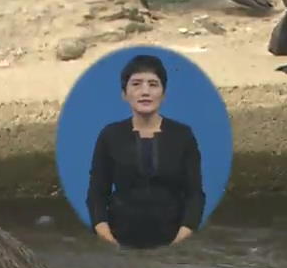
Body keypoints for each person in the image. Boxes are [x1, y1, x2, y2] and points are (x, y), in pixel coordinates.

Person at [86, 54, 205, 250]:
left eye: (153, 84)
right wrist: (109, 241)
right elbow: (97, 194)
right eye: (136, 84)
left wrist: (179, 243)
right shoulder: (110, 135)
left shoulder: (182, 135)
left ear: (164, 93)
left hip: (173, 241)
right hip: (119, 241)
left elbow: (195, 195)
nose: (145, 92)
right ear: (124, 94)